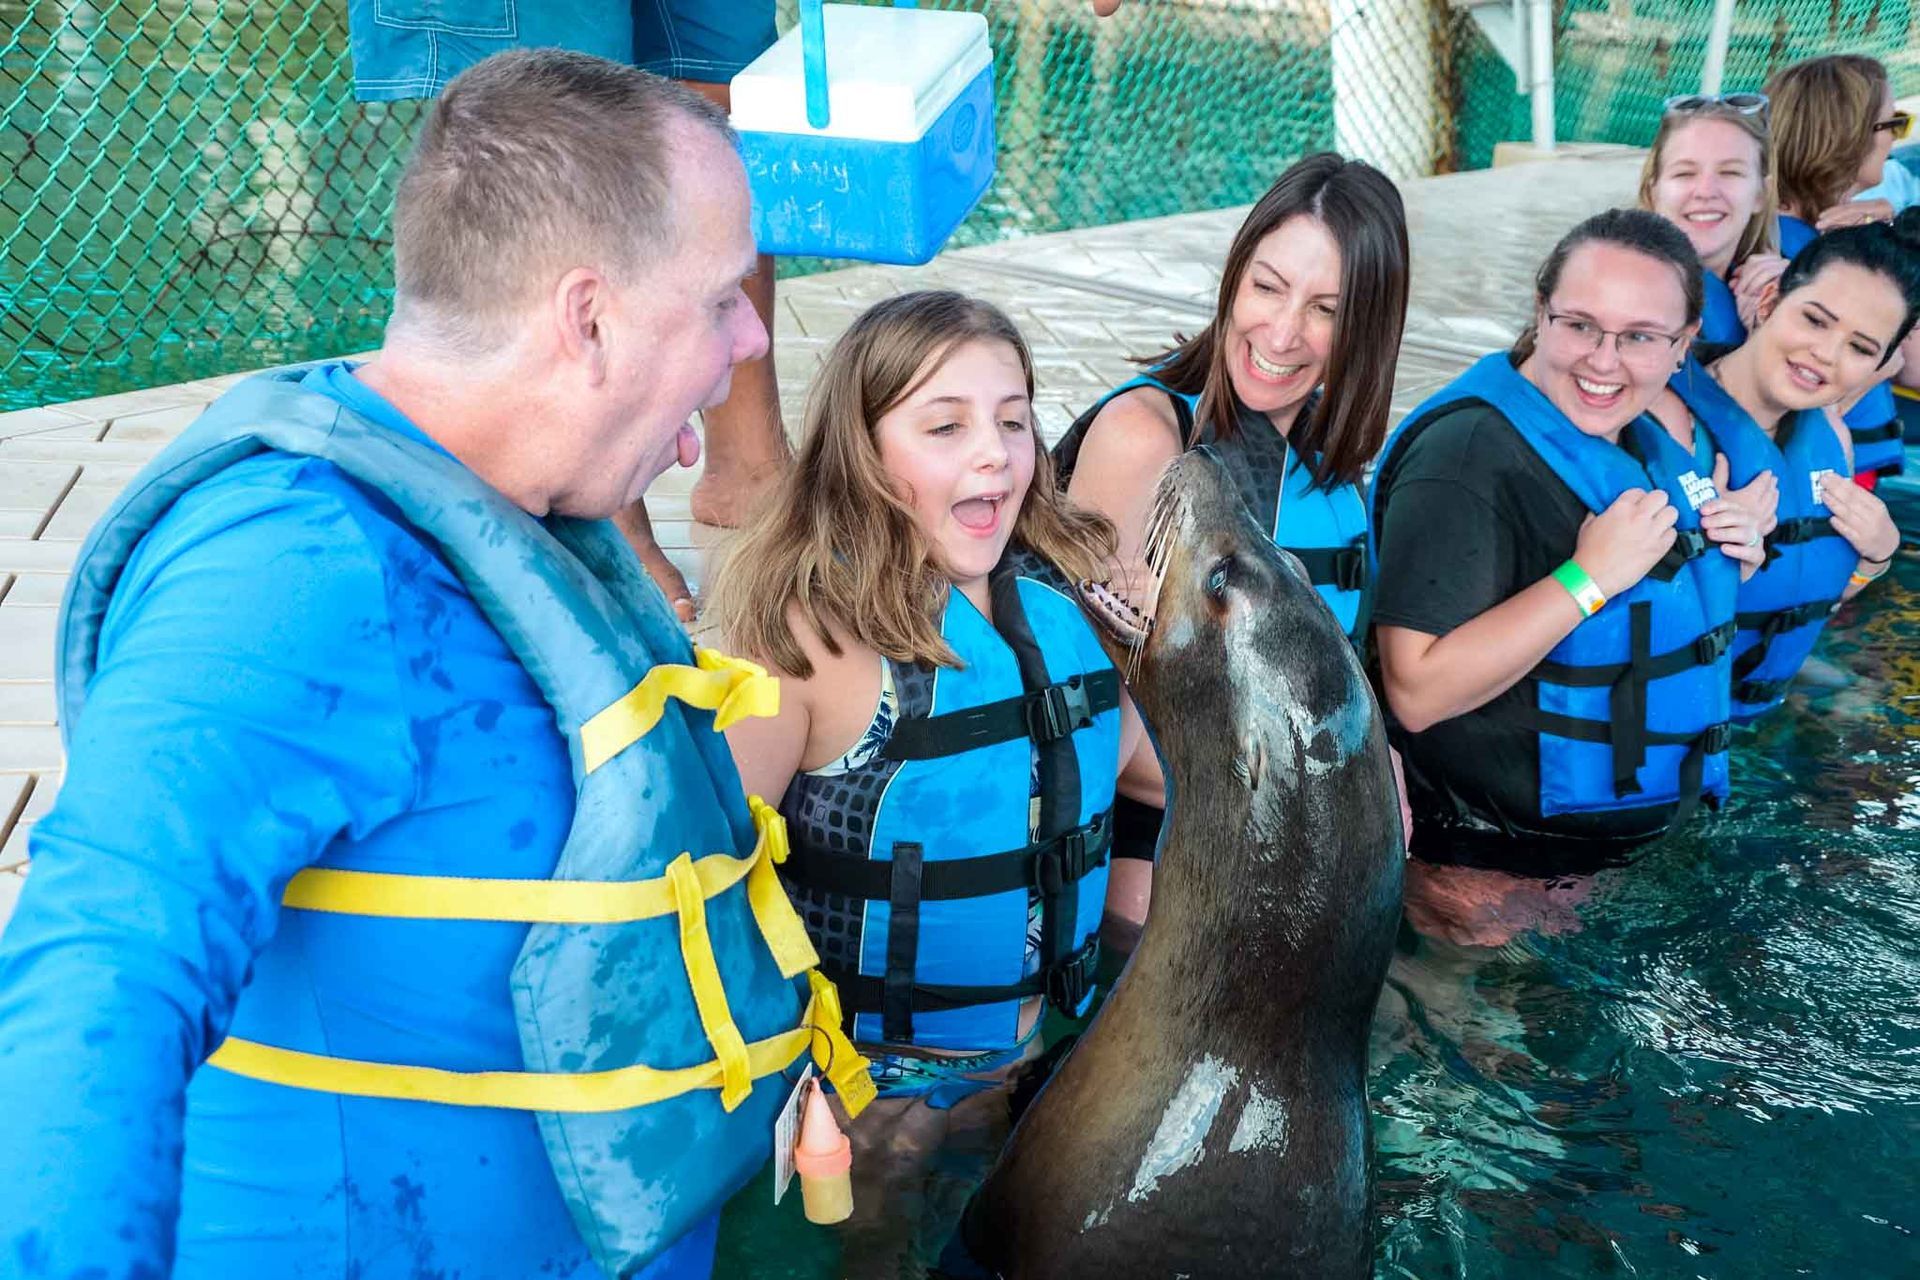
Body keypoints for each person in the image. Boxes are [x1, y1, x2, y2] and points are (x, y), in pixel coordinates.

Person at [0, 51, 872, 1280]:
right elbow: (97, 978)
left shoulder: (517, 507)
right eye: (725, 295)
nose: (748, 339)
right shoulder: (293, 571)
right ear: (588, 318)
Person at [708, 289, 1163, 1276]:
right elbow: (696, 885)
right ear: (863, 453)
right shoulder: (804, 642)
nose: (995, 451)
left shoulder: (1058, 619)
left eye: (1013, 419)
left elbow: (1157, 781)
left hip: (1050, 1070)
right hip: (874, 1116)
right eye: (945, 424)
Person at [1371, 210, 1768, 898]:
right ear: (1541, 311)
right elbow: (1416, 692)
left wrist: (1726, 557)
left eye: (1641, 336)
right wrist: (1591, 578)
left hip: (1616, 862)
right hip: (1495, 879)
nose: (1603, 360)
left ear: (1684, 346)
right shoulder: (1465, 457)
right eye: (1580, 325)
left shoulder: (1635, 437)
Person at [1047, 151, 1411, 877]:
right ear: (1233, 278)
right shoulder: (1147, 438)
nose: (1281, 334)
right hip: (1160, 843)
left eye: (1325, 311)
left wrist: (1377, 759)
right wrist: (1335, 793)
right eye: (1266, 288)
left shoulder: (1323, 451)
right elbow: (1097, 728)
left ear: (1366, 330)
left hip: (1291, 827)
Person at [1657, 213, 1918, 721]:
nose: (1824, 353)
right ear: (1772, 301)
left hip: (1752, 727)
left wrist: (1875, 560)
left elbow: (1807, 591)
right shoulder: (1668, 422)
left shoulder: (1832, 439)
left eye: (1861, 348)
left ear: (1881, 365)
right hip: (1662, 740)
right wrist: (1708, 552)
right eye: (1815, 320)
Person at [1763, 54, 1910, 483]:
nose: (1895, 140)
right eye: (1892, 124)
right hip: (1833, 487)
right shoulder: (1818, 258)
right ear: (1849, 138)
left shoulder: (1779, 233)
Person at [1639, 92, 1779, 345]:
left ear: (1761, 194)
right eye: (1684, 173)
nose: (1706, 191)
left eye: (1730, 172)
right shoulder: (1619, 294)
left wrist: (1791, 312)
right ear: (1653, 193)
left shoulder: (1777, 292)